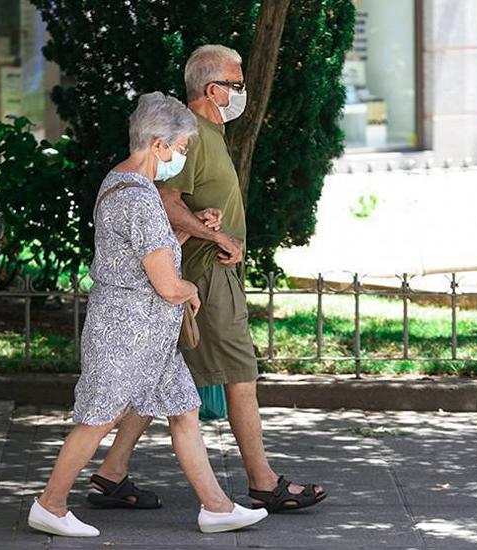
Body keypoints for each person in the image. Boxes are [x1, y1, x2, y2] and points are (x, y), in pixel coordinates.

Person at [86, 45, 327, 513]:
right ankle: (263, 482)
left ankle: (110, 473)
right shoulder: (191, 135)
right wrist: (212, 235)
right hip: (205, 274)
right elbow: (164, 199)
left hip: (204, 272)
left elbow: (178, 202)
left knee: (165, 375)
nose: (243, 94)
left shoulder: (209, 134)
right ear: (213, 89)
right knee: (240, 375)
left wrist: (205, 224)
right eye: (237, 86)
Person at [27, 92, 268, 537]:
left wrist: (184, 228)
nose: (181, 156)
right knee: (98, 418)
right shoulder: (139, 199)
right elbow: (166, 283)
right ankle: (50, 504)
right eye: (179, 148)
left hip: (144, 334)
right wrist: (190, 288)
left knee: (184, 411)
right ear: (158, 144)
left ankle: (216, 507)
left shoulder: (120, 181)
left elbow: (148, 252)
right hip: (129, 333)